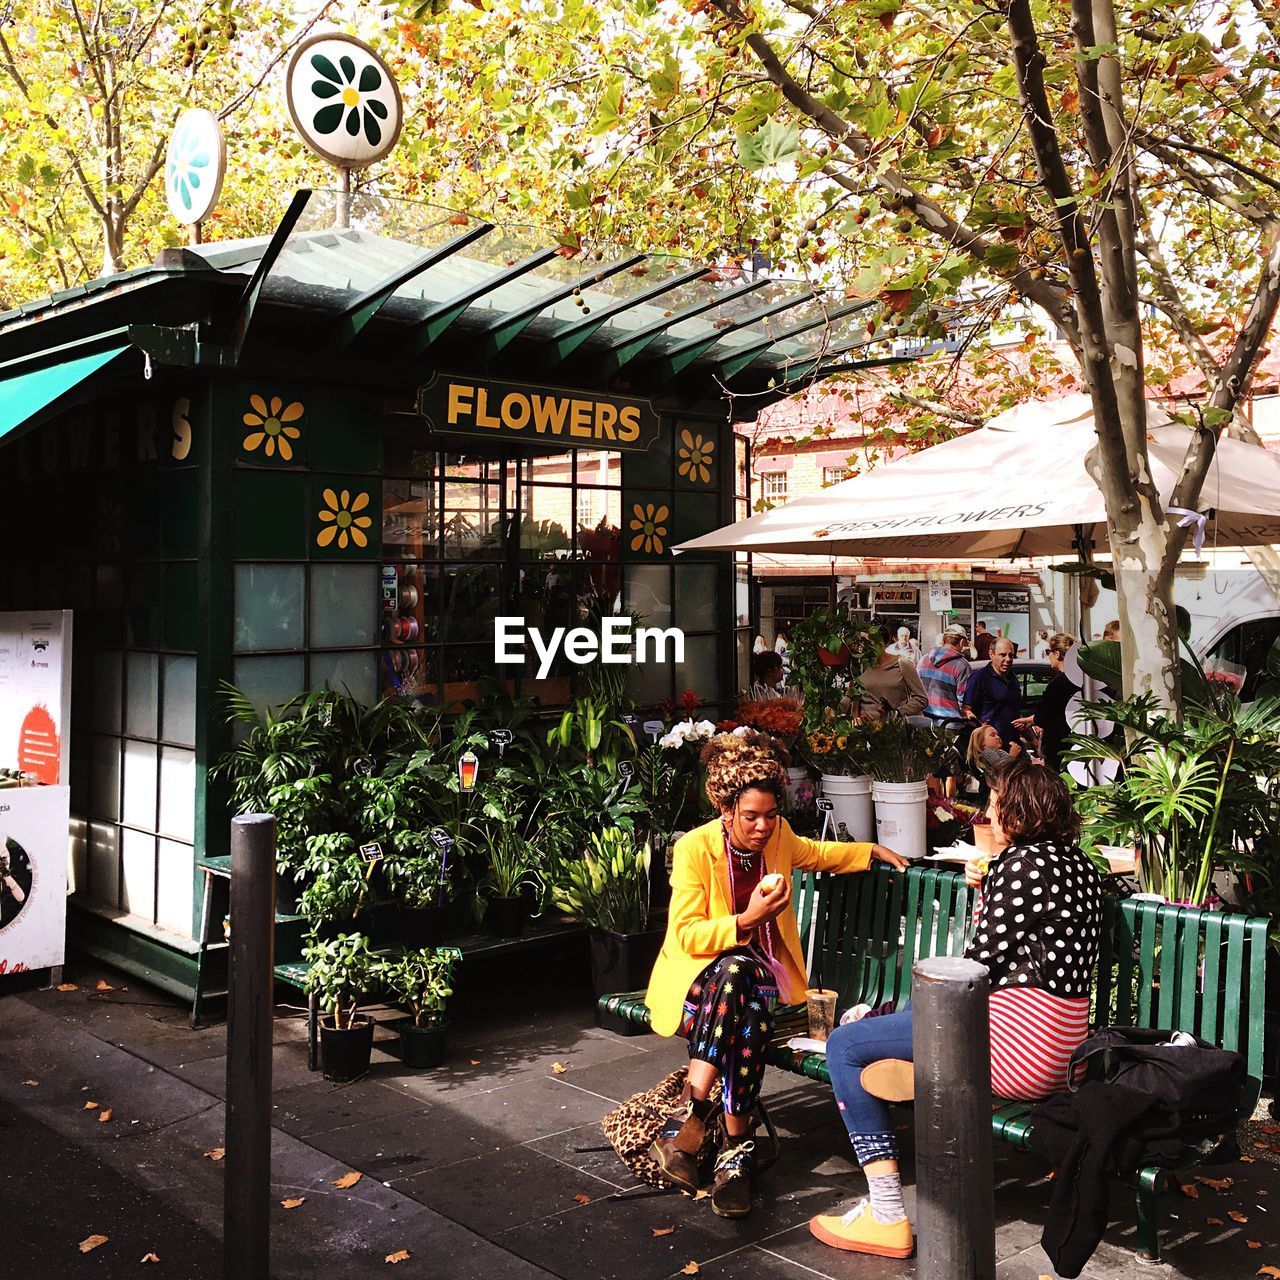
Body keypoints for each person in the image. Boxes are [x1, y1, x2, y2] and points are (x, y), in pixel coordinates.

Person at [809, 759, 1103, 1258]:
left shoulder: (1021, 867)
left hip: (1014, 1048)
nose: (987, 815)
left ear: (1019, 811)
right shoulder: (1079, 866)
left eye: (994, 805)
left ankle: (886, 1214)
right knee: (879, 1046)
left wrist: (881, 1016)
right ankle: (907, 1071)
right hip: (1061, 1050)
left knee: (843, 1045)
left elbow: (969, 972)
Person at [646, 730, 908, 1219]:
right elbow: (686, 936)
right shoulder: (694, 850)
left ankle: (692, 1121)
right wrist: (746, 922)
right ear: (726, 811)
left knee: (746, 1001)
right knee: (737, 972)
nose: (764, 827)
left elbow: (817, 851)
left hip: (751, 991)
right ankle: (734, 1152)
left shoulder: (781, 837)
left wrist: (867, 850)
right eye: (751, 817)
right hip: (699, 984)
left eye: (771, 814)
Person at [1014, 633, 1078, 770]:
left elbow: (1046, 715)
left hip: (1058, 746)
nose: (1047, 656)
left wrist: (1035, 719)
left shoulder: (1058, 683)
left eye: (1047, 652)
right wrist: (1032, 720)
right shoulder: (1081, 680)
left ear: (1057, 654)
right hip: (1076, 743)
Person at [860, 624, 928, 719]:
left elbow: (921, 699)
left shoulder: (902, 663)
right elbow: (852, 698)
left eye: (865, 642)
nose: (861, 646)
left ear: (878, 641)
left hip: (893, 729)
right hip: (865, 729)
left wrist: (897, 713)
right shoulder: (862, 667)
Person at [964, 636, 1022, 743]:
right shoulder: (979, 678)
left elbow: (1016, 712)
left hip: (1013, 742)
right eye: (1003, 655)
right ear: (991, 654)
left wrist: (1033, 739)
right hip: (990, 746)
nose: (1008, 659)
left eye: (1011, 655)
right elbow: (966, 710)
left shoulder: (1013, 678)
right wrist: (983, 729)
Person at [918, 624, 971, 725]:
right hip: (950, 723)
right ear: (961, 642)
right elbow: (963, 699)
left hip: (924, 720)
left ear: (943, 641)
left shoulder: (923, 659)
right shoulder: (962, 666)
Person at [964, 723, 1021, 803]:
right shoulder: (987, 752)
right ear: (982, 743)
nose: (997, 737)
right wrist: (1012, 755)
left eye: (997, 735)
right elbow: (1000, 766)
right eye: (992, 735)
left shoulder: (1000, 752)